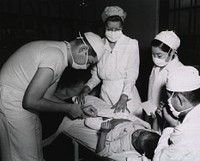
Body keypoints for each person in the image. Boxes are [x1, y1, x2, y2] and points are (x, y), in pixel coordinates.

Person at [0, 32, 105, 161]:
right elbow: (31, 101)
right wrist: (69, 109)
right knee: (24, 156)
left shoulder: (59, 55)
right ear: (83, 50)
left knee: (35, 149)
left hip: (20, 101)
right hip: (12, 103)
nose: (86, 67)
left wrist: (77, 108)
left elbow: (47, 96)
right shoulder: (55, 55)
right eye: (89, 62)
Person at [77, 6, 142, 117]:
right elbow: (97, 75)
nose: (113, 32)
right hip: (106, 95)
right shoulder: (100, 44)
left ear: (122, 27)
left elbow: (131, 75)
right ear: (104, 27)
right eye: (109, 29)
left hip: (126, 95)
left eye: (117, 29)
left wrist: (123, 97)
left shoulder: (131, 44)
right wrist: (86, 88)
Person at [153, 66, 200, 161]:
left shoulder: (185, 132)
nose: (167, 101)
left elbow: (159, 158)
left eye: (168, 97)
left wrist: (169, 126)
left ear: (180, 100)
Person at [144, 30, 184, 130]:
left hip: (167, 120)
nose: (155, 58)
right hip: (151, 115)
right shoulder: (156, 67)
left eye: (159, 55)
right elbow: (151, 93)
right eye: (153, 54)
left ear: (172, 52)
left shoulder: (178, 71)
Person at [96, 118, 160, 160]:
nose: (135, 134)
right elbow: (155, 130)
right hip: (122, 117)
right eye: (142, 132)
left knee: (88, 122)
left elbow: (101, 152)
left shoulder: (124, 144)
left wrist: (104, 132)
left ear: (140, 151)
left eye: (136, 141)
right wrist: (155, 118)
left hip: (107, 125)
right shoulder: (151, 135)